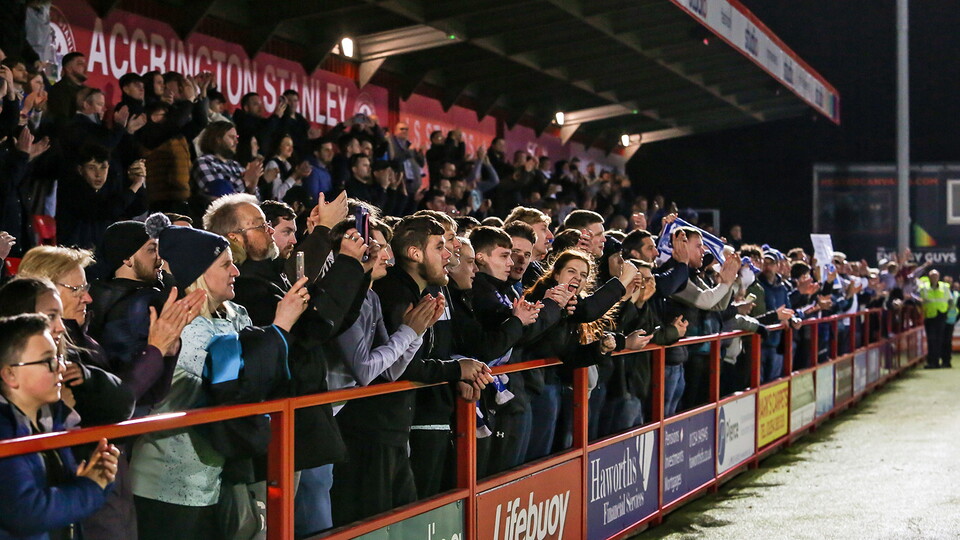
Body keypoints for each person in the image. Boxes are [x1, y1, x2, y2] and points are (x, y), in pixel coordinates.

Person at [129, 217, 309, 540]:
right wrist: (279, 327)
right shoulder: (182, 328)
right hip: (167, 485)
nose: (236, 271)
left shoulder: (233, 314)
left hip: (212, 476)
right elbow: (235, 389)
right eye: (226, 264)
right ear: (198, 272)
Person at [0, 313, 121, 540]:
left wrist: (99, 475)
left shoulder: (51, 419)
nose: (61, 368)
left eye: (58, 358)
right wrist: (90, 487)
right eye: (48, 361)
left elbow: (67, 505)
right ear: (9, 374)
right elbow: (27, 513)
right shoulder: (5, 432)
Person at [919, 269, 951, 369]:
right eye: (932, 276)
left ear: (939, 276)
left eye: (936, 276)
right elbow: (921, 300)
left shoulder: (944, 287)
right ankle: (932, 361)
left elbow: (949, 300)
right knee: (931, 339)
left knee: (939, 339)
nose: (934, 278)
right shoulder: (924, 287)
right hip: (930, 316)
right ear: (929, 277)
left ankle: (937, 361)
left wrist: (946, 312)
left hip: (941, 315)